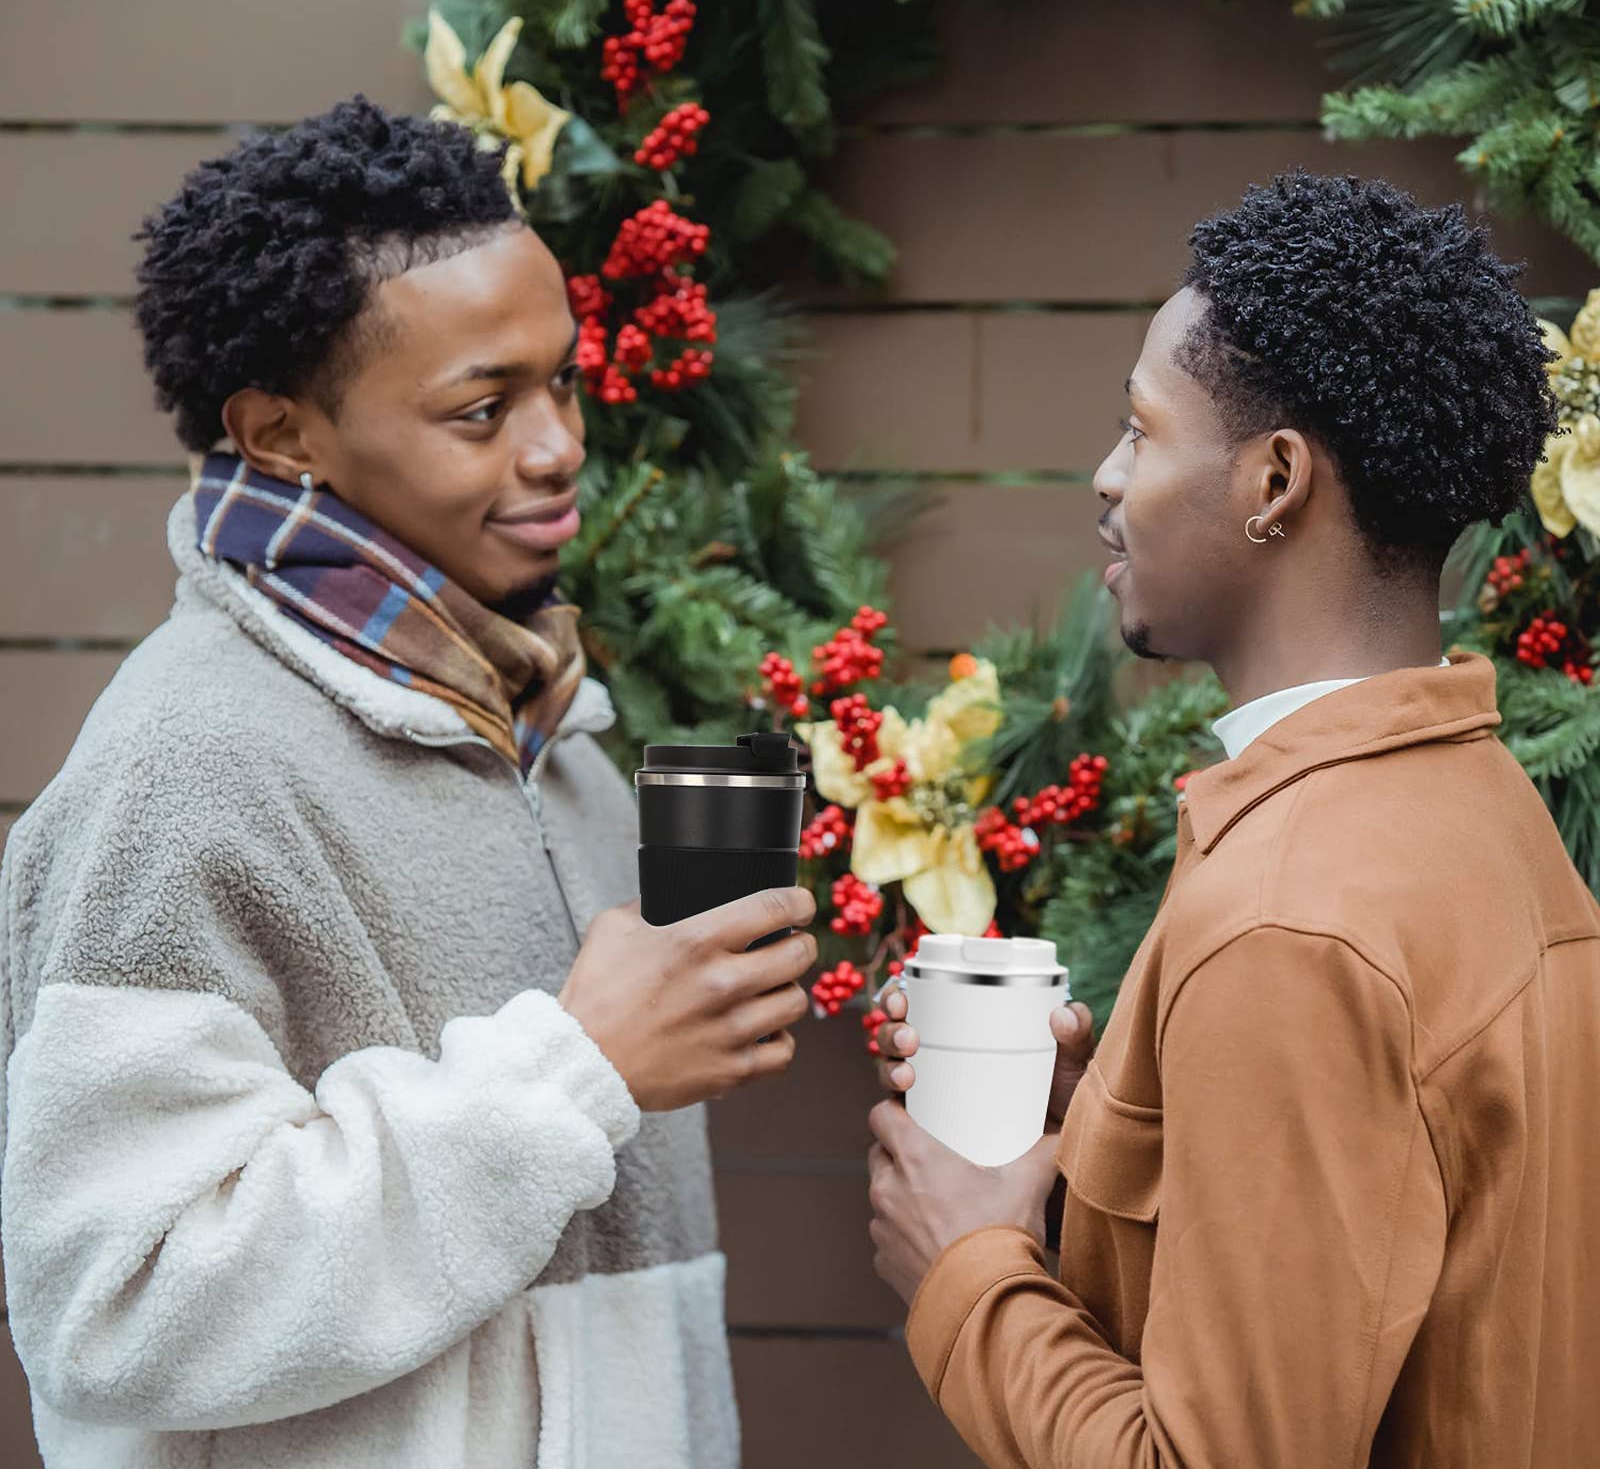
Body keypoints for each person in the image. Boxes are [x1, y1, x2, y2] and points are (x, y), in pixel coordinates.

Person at [0, 96, 817, 1469]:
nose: (556, 447)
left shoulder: (560, 748)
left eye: (561, 381)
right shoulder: (186, 765)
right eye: (482, 409)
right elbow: (113, 1305)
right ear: (280, 436)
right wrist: (574, 1073)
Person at [865, 170, 1600, 1467]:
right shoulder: (1478, 810)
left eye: (1141, 431)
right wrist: (1109, 1140)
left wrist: (963, 1264)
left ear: (1274, 479)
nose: (1106, 476)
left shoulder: (1292, 922)